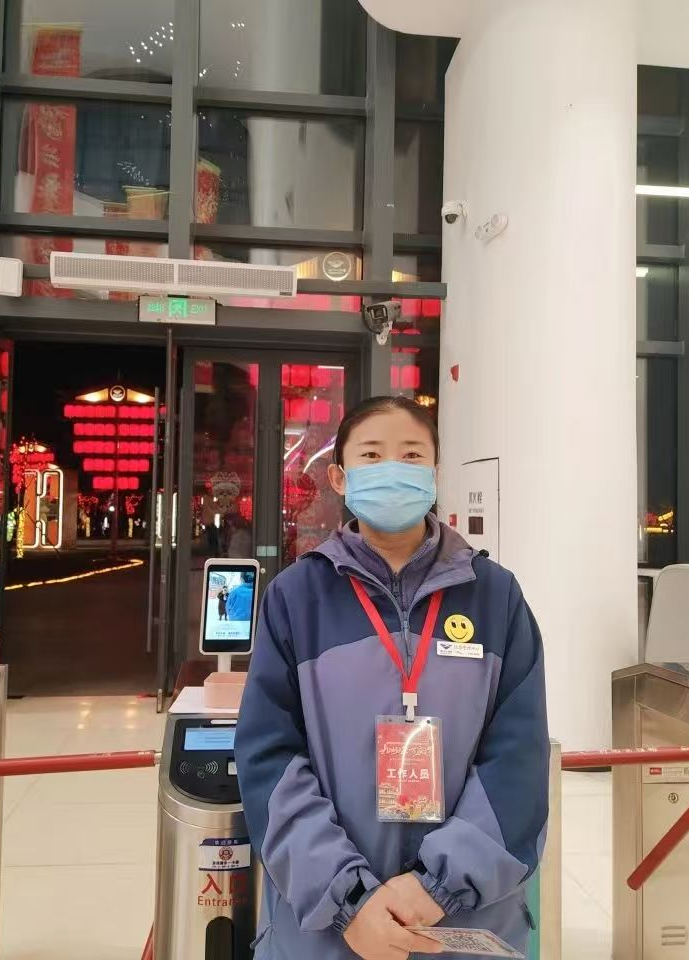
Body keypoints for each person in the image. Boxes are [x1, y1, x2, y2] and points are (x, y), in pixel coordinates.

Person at [235, 396, 549, 960]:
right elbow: (269, 759)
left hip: (460, 927)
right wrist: (350, 899)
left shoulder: (496, 596)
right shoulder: (296, 598)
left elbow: (518, 759)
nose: (392, 469)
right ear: (339, 477)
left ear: (434, 473)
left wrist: (436, 887)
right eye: (372, 456)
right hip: (327, 932)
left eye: (411, 455)